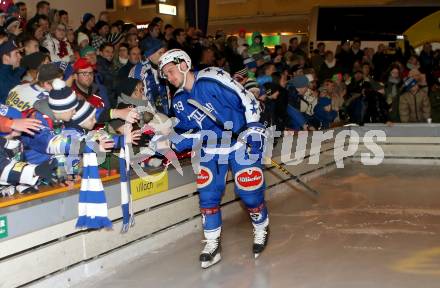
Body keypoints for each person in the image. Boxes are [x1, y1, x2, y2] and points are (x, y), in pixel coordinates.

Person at [158, 49, 269, 268]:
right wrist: (168, 139)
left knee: (250, 194)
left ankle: (261, 227)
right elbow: (188, 131)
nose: (169, 78)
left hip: (240, 141)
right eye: (165, 75)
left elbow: (247, 100)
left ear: (183, 64)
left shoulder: (212, 77)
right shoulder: (179, 101)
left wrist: (254, 129)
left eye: (171, 71)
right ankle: (212, 243)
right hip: (211, 148)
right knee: (208, 196)